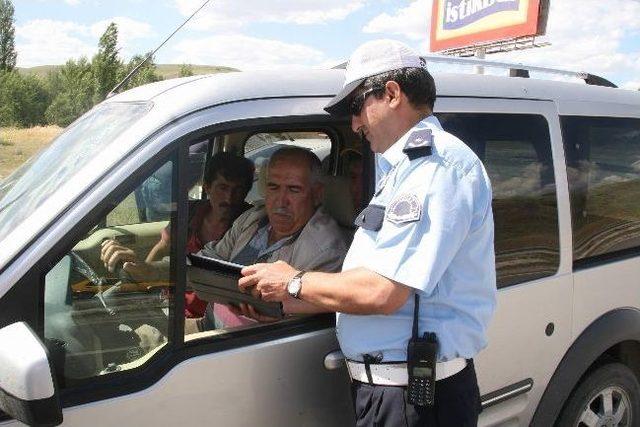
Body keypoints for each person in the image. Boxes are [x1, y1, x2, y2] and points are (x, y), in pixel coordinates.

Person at [238, 39, 497, 426]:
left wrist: (293, 283)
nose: (355, 124)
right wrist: (281, 303)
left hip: (414, 397)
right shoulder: (404, 170)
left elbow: (383, 291)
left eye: (357, 107)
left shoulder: (435, 168)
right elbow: (362, 282)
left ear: (391, 93)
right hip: (390, 390)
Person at [195, 146, 347, 330]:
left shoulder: (325, 249)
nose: (280, 201)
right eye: (273, 187)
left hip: (249, 344)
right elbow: (212, 257)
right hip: (211, 323)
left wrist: (274, 315)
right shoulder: (253, 218)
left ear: (317, 194)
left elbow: (301, 325)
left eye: (293, 189)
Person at [100, 152, 254, 317]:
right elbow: (162, 247)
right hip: (166, 301)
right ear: (207, 187)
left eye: (238, 190)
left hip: (200, 319)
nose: (229, 198)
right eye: (222, 188)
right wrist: (143, 277)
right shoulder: (189, 213)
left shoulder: (251, 228)